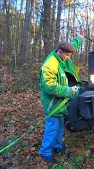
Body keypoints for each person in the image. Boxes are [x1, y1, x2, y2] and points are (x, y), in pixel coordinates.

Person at [38, 31, 84, 163]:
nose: (68, 58)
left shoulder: (63, 56)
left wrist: (79, 38)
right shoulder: (50, 65)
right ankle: (45, 151)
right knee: (52, 127)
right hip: (53, 103)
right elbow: (50, 87)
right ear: (60, 51)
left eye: (70, 55)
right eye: (67, 55)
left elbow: (72, 44)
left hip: (61, 102)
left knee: (59, 126)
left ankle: (57, 146)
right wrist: (69, 91)